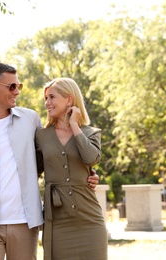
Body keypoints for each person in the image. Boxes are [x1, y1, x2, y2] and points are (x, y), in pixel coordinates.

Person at [0, 63, 99, 260]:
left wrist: (87, 173)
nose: (17, 91)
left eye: (19, 86)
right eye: (11, 86)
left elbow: (52, 156)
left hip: (25, 223)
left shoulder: (30, 119)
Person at [35, 78, 108, 260]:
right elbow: (31, 170)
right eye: (46, 98)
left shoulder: (91, 133)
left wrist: (75, 125)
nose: (47, 103)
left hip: (89, 218)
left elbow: (91, 158)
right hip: (58, 221)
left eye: (52, 97)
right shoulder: (41, 136)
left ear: (69, 100)